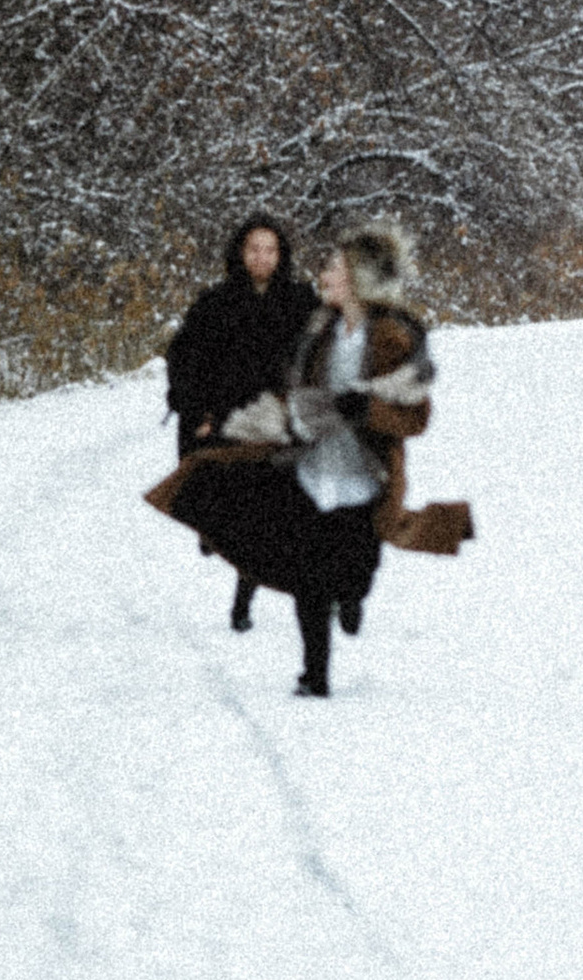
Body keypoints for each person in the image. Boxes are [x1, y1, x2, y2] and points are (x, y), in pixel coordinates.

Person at [170, 220, 442, 696]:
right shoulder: (314, 328)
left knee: (353, 570)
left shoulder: (389, 336)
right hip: (309, 462)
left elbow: (415, 413)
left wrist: (367, 409)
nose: (324, 273)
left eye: (335, 267)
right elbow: (282, 381)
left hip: (364, 472)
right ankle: (314, 674)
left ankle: (351, 594)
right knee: (308, 572)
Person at [162, 215, 312, 632]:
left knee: (274, 514)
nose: (262, 258)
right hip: (231, 419)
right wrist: (196, 409)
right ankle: (232, 566)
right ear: (240, 253)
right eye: (254, 249)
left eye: (270, 250)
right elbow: (186, 358)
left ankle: (250, 601)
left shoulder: (301, 302)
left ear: (281, 255)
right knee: (246, 512)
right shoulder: (216, 304)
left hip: (282, 419)